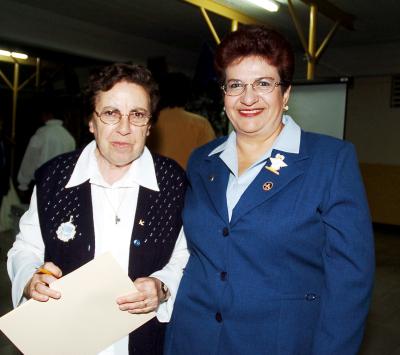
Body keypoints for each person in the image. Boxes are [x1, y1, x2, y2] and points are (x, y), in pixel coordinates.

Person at [164, 25, 375, 355]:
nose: (248, 98)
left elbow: (351, 282)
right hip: (194, 339)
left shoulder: (330, 161)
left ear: (286, 93)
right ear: (224, 94)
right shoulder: (202, 160)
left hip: (280, 342)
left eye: (263, 83)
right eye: (235, 85)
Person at [7, 63, 189, 355]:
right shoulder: (55, 178)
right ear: (91, 121)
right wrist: (30, 277)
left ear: (150, 124)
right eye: (110, 113)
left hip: (144, 341)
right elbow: (25, 247)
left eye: (138, 115)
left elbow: (185, 255)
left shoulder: (173, 183)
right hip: (65, 341)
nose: (125, 128)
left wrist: (163, 285)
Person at [147, 72, 215, 169]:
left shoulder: (151, 122)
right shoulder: (201, 124)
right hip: (187, 181)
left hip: (155, 179)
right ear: (187, 94)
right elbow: (210, 159)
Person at [17, 96, 76, 196]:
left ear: (47, 115)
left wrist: (23, 184)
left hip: (41, 183)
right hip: (60, 186)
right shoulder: (68, 137)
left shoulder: (42, 133)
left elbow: (30, 158)